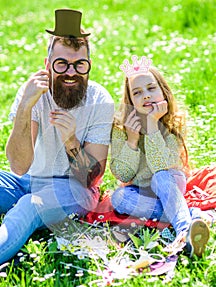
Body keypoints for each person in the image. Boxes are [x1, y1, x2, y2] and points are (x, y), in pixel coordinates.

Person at [0, 9, 114, 264]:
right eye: (61, 64)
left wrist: (71, 140)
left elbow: (91, 179)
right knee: (28, 196)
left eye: (79, 64)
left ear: (89, 66)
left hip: (73, 189)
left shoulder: (100, 100)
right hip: (28, 180)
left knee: (31, 205)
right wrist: (24, 109)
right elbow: (19, 166)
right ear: (47, 64)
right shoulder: (31, 93)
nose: (70, 72)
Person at [110, 55, 209, 257]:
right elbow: (122, 174)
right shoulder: (122, 128)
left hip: (170, 181)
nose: (146, 95)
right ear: (130, 100)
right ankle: (189, 215)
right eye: (137, 92)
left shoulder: (171, 122)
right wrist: (131, 140)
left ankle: (183, 231)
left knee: (159, 177)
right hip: (140, 191)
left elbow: (161, 166)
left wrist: (153, 125)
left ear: (162, 91)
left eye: (151, 88)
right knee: (118, 198)